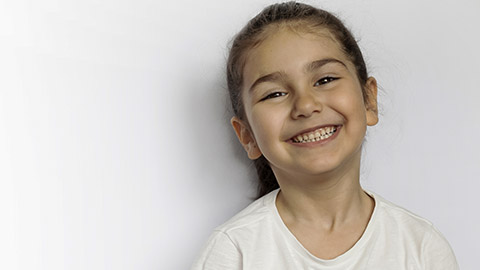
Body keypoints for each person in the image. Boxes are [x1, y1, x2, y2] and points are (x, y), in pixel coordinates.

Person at [192, 2, 458, 269]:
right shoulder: (234, 251)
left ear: (368, 101)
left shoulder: (422, 247)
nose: (306, 106)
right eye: (274, 94)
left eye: (325, 80)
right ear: (247, 135)